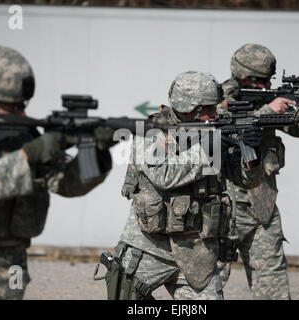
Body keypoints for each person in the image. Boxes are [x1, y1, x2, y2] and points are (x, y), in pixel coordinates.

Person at [0, 45, 112, 300]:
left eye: (22, 105)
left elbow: (66, 184)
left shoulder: (22, 135)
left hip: (10, 270)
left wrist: (95, 152)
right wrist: (28, 156)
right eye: (12, 106)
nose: (21, 113)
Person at [111, 70, 263, 300]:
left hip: (197, 251)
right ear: (192, 108)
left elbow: (246, 180)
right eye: (210, 109)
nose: (215, 114)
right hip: (148, 247)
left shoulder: (213, 132)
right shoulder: (152, 129)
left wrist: (250, 152)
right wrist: (208, 149)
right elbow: (164, 175)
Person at [217, 43, 299, 299]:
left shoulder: (268, 97)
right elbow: (221, 131)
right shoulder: (219, 98)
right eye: (260, 81)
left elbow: (297, 128)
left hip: (262, 206)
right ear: (243, 75)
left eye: (268, 80)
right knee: (207, 285)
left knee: (273, 288)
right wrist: (265, 112)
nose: (266, 87)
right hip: (221, 209)